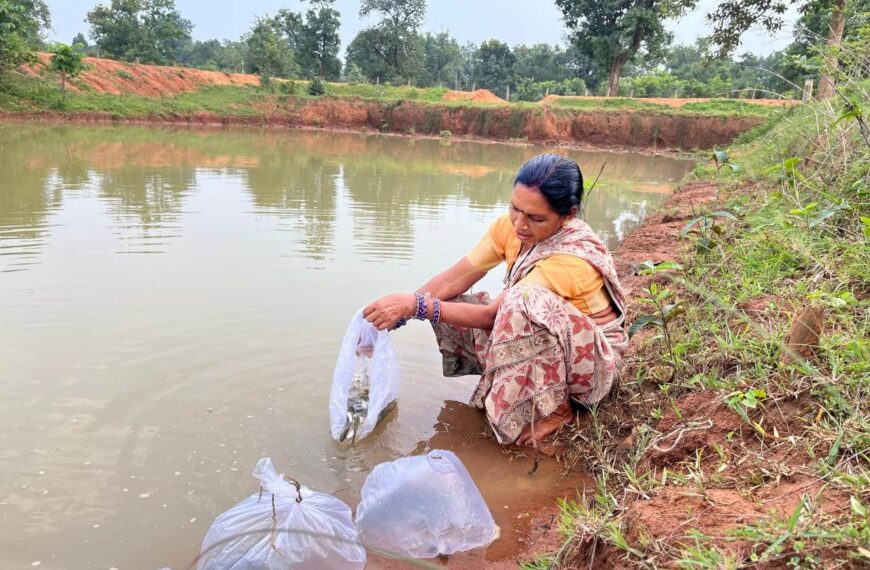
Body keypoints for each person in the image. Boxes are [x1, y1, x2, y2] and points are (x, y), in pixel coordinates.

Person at [363, 153, 627, 446]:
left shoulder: (571, 259)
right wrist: (398, 313)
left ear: (568, 215)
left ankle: (558, 410)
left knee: (518, 301)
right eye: (515, 208)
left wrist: (418, 306)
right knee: (453, 302)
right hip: (546, 342)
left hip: (590, 370)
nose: (520, 224)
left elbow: (494, 314)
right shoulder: (510, 228)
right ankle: (514, 393)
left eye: (536, 218)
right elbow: (454, 279)